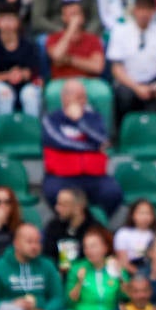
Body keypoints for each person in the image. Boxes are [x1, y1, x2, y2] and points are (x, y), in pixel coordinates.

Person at [41, 78, 123, 215]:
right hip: (62, 175)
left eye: (84, 97)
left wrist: (80, 121)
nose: (83, 101)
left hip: (94, 175)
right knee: (52, 192)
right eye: (78, 97)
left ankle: (94, 224)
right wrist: (92, 147)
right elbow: (60, 142)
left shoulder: (94, 117)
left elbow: (102, 139)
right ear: (64, 98)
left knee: (113, 193)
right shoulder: (51, 119)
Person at [108, 0, 156, 122]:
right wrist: (136, 87)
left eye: (148, 9)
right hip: (129, 82)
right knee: (124, 95)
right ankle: (121, 134)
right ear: (134, 10)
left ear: (154, 11)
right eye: (140, 9)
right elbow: (117, 68)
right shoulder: (119, 30)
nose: (144, 14)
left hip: (154, 82)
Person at [0, 1, 42, 117]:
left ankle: (32, 130)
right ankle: (4, 132)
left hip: (24, 84)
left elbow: (31, 72)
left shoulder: (28, 45)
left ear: (18, 22)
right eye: (3, 19)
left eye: (11, 19)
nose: (7, 23)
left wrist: (21, 75)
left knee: (30, 95)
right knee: (5, 94)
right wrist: (9, 75)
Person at [42, 185, 102, 275]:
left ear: (78, 208)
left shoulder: (95, 230)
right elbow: (47, 256)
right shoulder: (53, 226)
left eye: (63, 205)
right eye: (58, 204)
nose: (57, 208)